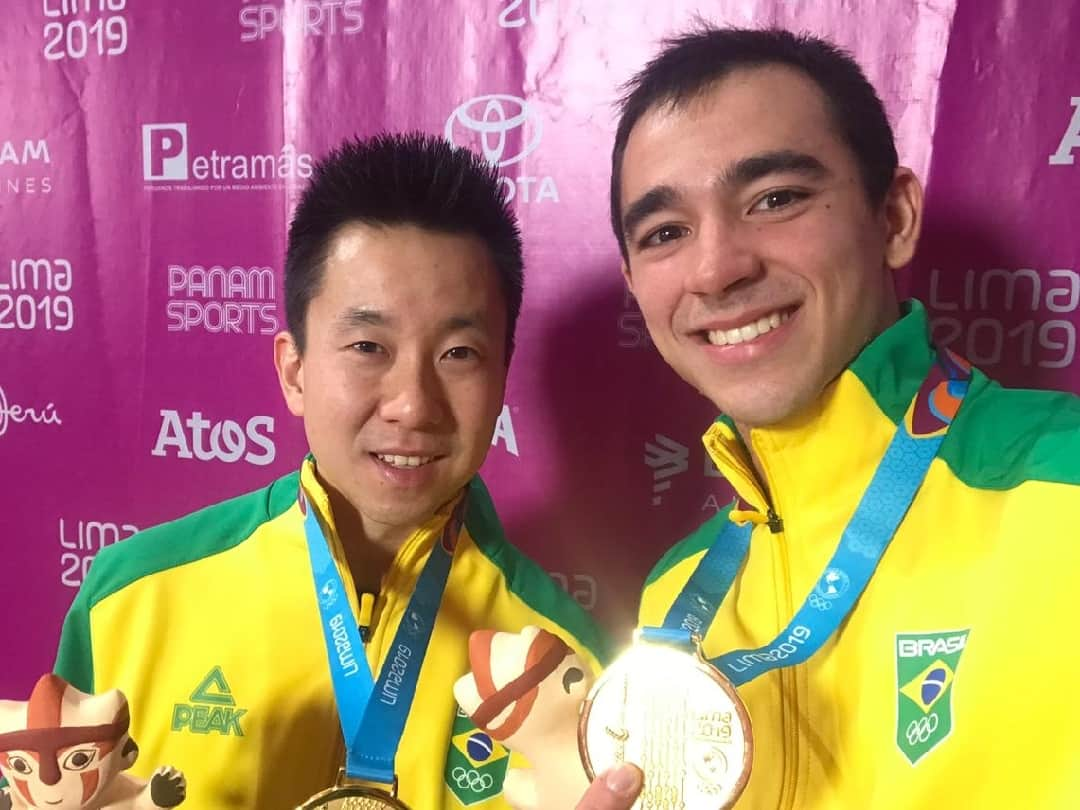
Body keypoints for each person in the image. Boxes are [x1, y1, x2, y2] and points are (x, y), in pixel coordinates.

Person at [576, 24, 1080, 810]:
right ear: (635, 282)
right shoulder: (674, 603)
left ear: (893, 217)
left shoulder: (1065, 485)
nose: (717, 268)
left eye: (775, 199)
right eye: (666, 233)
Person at [51, 133, 608, 809]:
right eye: (369, 346)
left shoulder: (563, 663)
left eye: (459, 353)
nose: (412, 404)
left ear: (500, 378)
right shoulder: (131, 600)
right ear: (295, 371)